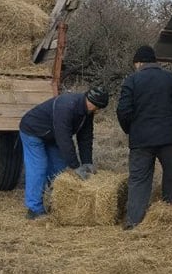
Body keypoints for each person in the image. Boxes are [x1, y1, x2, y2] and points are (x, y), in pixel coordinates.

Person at [116, 45, 172, 230]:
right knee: (171, 177)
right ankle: (169, 218)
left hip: (141, 140)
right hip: (168, 138)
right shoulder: (170, 79)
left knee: (139, 179)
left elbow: (123, 111)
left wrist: (131, 130)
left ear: (139, 62)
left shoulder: (131, 81)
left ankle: (134, 221)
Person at [18, 87, 110, 220]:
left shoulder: (88, 112)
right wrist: (75, 166)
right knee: (39, 167)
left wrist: (87, 162)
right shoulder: (66, 106)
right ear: (89, 100)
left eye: (99, 109)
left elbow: (85, 137)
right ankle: (34, 209)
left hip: (52, 134)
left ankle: (53, 200)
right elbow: (64, 138)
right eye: (96, 107)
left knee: (58, 166)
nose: (97, 111)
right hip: (33, 130)